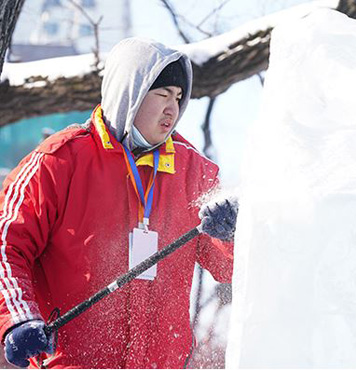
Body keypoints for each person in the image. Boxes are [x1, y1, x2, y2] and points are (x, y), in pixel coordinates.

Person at [0, 37, 238, 368]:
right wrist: (18, 318)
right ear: (130, 92)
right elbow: (6, 245)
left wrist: (235, 233)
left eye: (179, 97)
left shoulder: (193, 172)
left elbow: (231, 267)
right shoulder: (60, 161)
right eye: (162, 94)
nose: (173, 108)